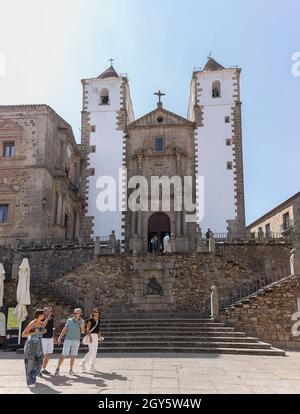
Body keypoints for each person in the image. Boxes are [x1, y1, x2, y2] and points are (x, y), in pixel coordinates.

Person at [22, 309, 49, 388]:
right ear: (39, 315)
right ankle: (30, 381)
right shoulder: (32, 323)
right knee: (30, 363)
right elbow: (23, 334)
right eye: (43, 315)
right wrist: (34, 332)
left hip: (39, 345)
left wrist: (43, 331)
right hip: (31, 345)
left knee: (39, 361)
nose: (43, 316)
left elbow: (41, 329)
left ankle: (33, 377)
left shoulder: (41, 323)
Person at [55, 308, 85, 376]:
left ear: (80, 314)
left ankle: (71, 370)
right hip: (68, 340)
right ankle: (57, 368)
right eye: (74, 313)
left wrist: (82, 326)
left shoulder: (82, 321)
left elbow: (83, 332)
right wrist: (59, 338)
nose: (75, 314)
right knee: (63, 355)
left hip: (76, 340)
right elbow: (64, 330)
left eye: (77, 313)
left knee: (73, 356)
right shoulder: (69, 320)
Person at [79, 308, 102, 372]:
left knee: (95, 351)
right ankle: (83, 362)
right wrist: (90, 337)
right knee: (91, 351)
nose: (96, 313)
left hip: (96, 336)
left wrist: (100, 336)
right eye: (95, 312)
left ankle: (92, 366)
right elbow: (88, 329)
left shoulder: (98, 320)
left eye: (97, 312)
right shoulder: (90, 320)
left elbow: (97, 330)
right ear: (93, 313)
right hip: (90, 335)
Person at [41, 307, 55, 375]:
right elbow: (43, 325)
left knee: (48, 354)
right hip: (43, 339)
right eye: (47, 311)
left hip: (50, 338)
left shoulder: (51, 319)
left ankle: (43, 368)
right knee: (42, 354)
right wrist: (47, 318)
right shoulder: (41, 318)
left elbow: (52, 329)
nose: (49, 313)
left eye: (49, 311)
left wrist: (54, 338)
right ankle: (38, 369)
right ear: (43, 312)